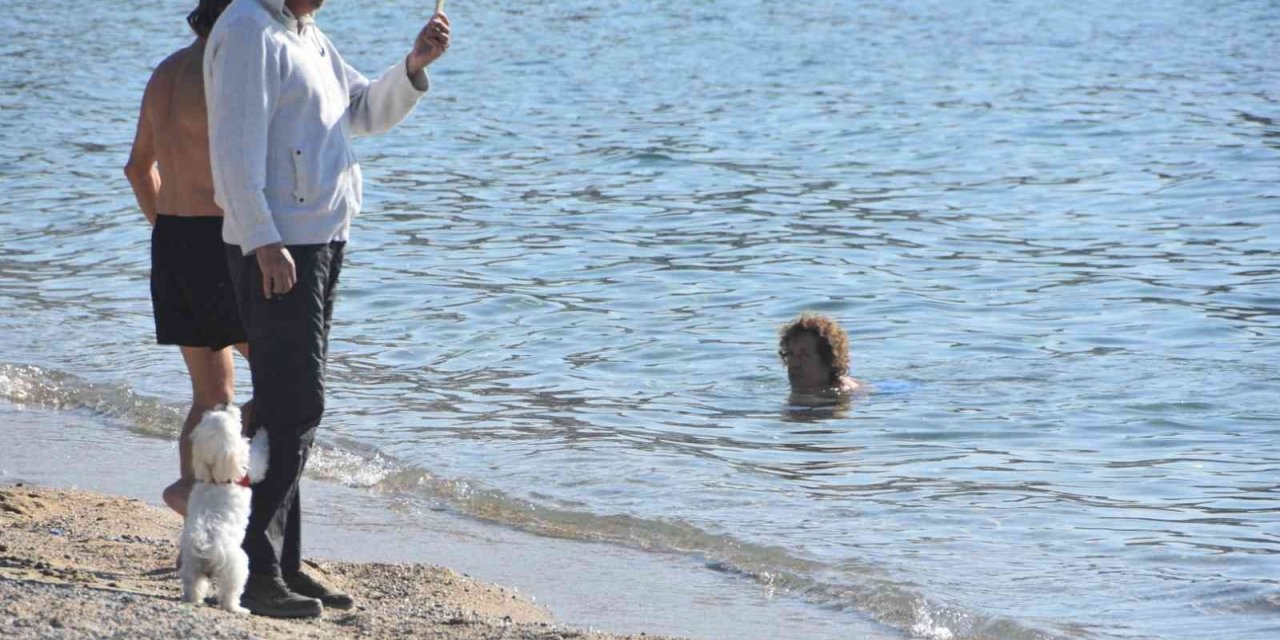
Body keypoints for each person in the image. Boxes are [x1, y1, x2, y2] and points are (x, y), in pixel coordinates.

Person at [204, 0, 451, 619]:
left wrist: (413, 65)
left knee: (290, 409)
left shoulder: (303, 32)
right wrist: (263, 239)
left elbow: (362, 111)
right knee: (296, 402)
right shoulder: (246, 29)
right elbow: (234, 152)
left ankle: (280, 563)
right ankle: (257, 572)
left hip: (319, 241)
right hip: (280, 246)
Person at [124, 0, 246, 519]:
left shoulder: (165, 71)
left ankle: (195, 502)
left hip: (174, 240)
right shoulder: (227, 72)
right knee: (289, 386)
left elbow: (137, 169)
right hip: (218, 240)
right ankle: (224, 497)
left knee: (211, 394)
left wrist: (168, 235)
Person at [778, 313, 862, 395]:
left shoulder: (839, 395)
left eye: (804, 355)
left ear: (829, 361)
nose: (794, 363)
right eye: (791, 354)